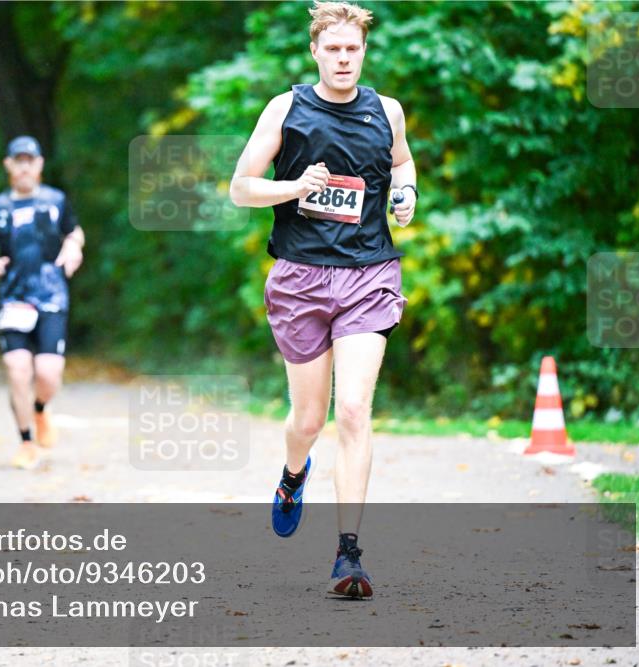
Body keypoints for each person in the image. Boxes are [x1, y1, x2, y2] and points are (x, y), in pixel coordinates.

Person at [229, 1, 416, 599]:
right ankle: (293, 474)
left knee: (354, 410)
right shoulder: (286, 109)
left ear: (364, 51)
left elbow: (403, 163)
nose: (343, 58)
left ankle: (348, 554)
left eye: (352, 49)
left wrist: (406, 194)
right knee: (309, 420)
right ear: (315, 51)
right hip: (301, 279)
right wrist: (295, 186)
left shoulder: (387, 111)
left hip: (368, 275)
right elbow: (240, 188)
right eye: (332, 48)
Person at [0, 136, 85, 470]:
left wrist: (73, 247)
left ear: (39, 165)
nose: (24, 167)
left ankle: (40, 410)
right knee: (17, 368)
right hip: (14, 298)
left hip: (51, 295)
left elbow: (74, 232)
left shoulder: (56, 200)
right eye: (18, 161)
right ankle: (25, 442)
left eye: (30, 160)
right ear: (8, 165)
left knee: (48, 373)